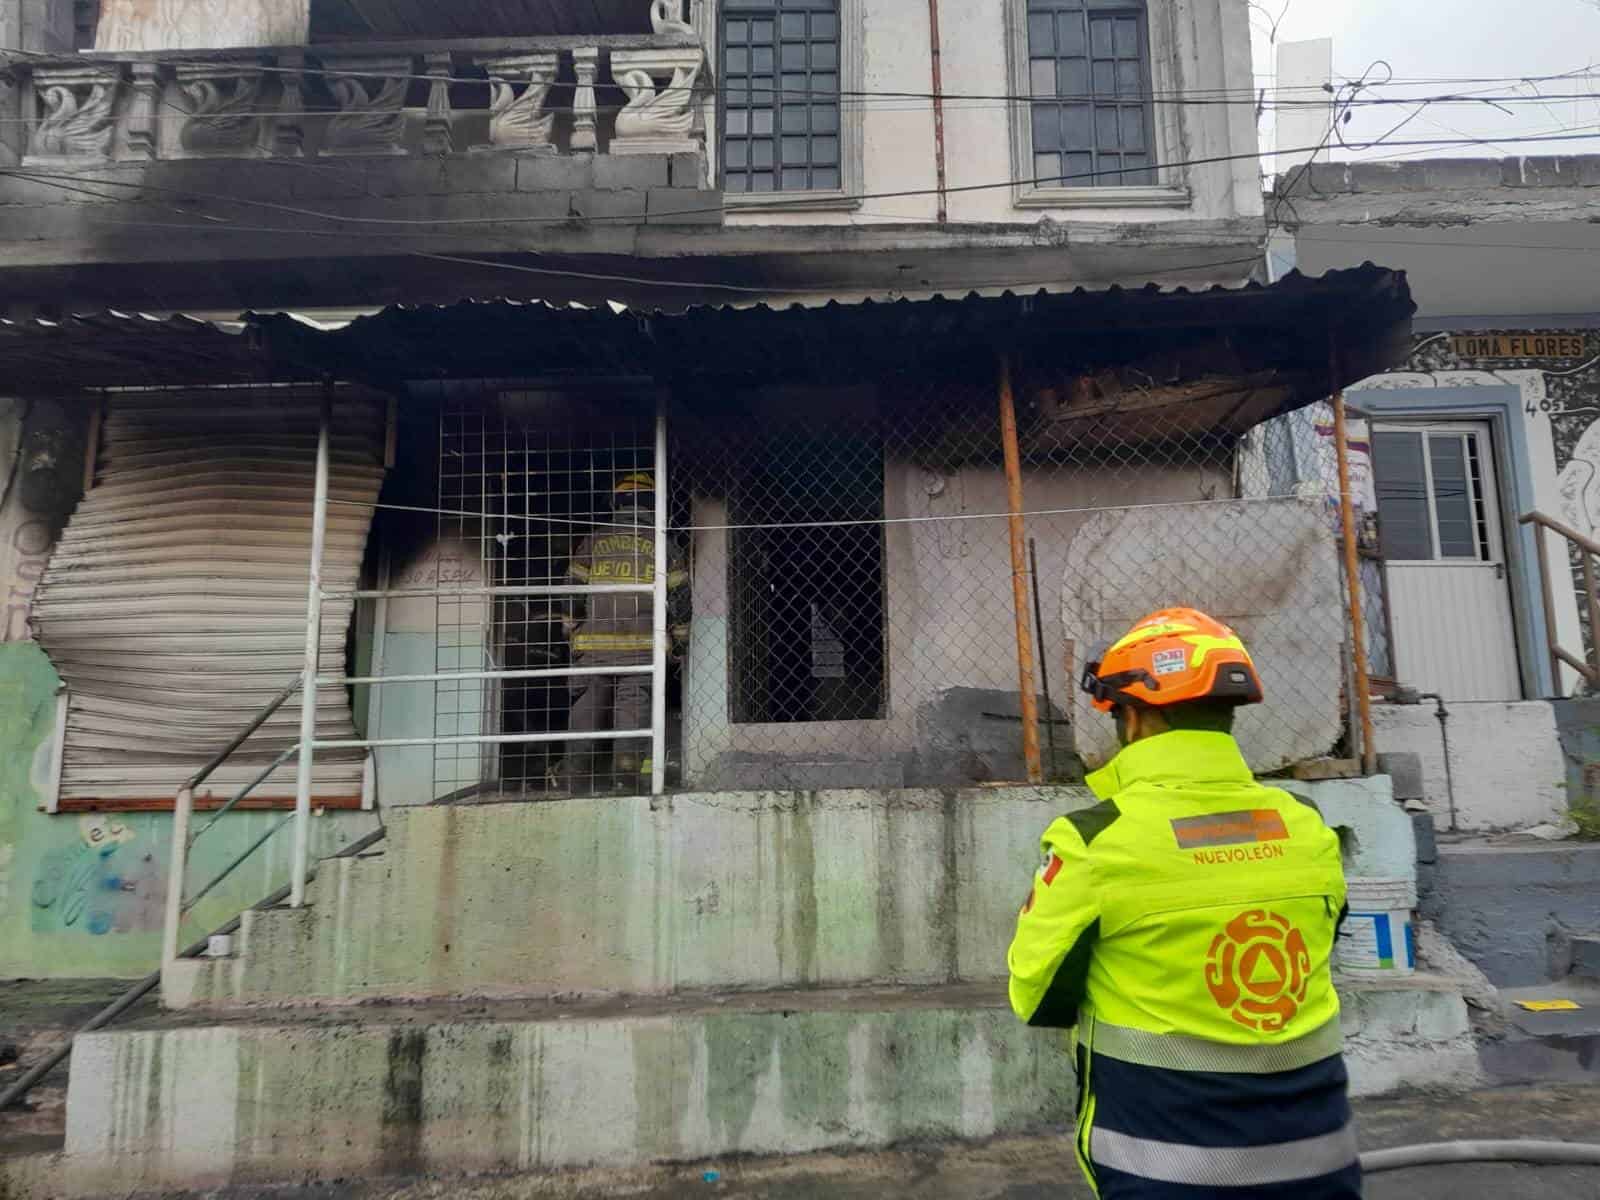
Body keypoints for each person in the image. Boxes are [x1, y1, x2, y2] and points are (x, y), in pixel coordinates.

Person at [1008, 607, 1358, 1198]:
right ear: (1226, 713)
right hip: (1319, 1163)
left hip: (1166, 1169)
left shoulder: (1096, 839)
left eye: (1117, 713)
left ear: (1137, 719)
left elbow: (1035, 993)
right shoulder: (1308, 826)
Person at [554, 472, 688, 791]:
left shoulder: (595, 540)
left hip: (595, 650)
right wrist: (679, 642)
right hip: (642, 649)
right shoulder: (663, 544)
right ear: (654, 504)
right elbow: (682, 598)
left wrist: (570, 624)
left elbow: (571, 588)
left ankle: (573, 780)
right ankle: (627, 781)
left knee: (587, 712)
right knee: (633, 712)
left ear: (615, 503)